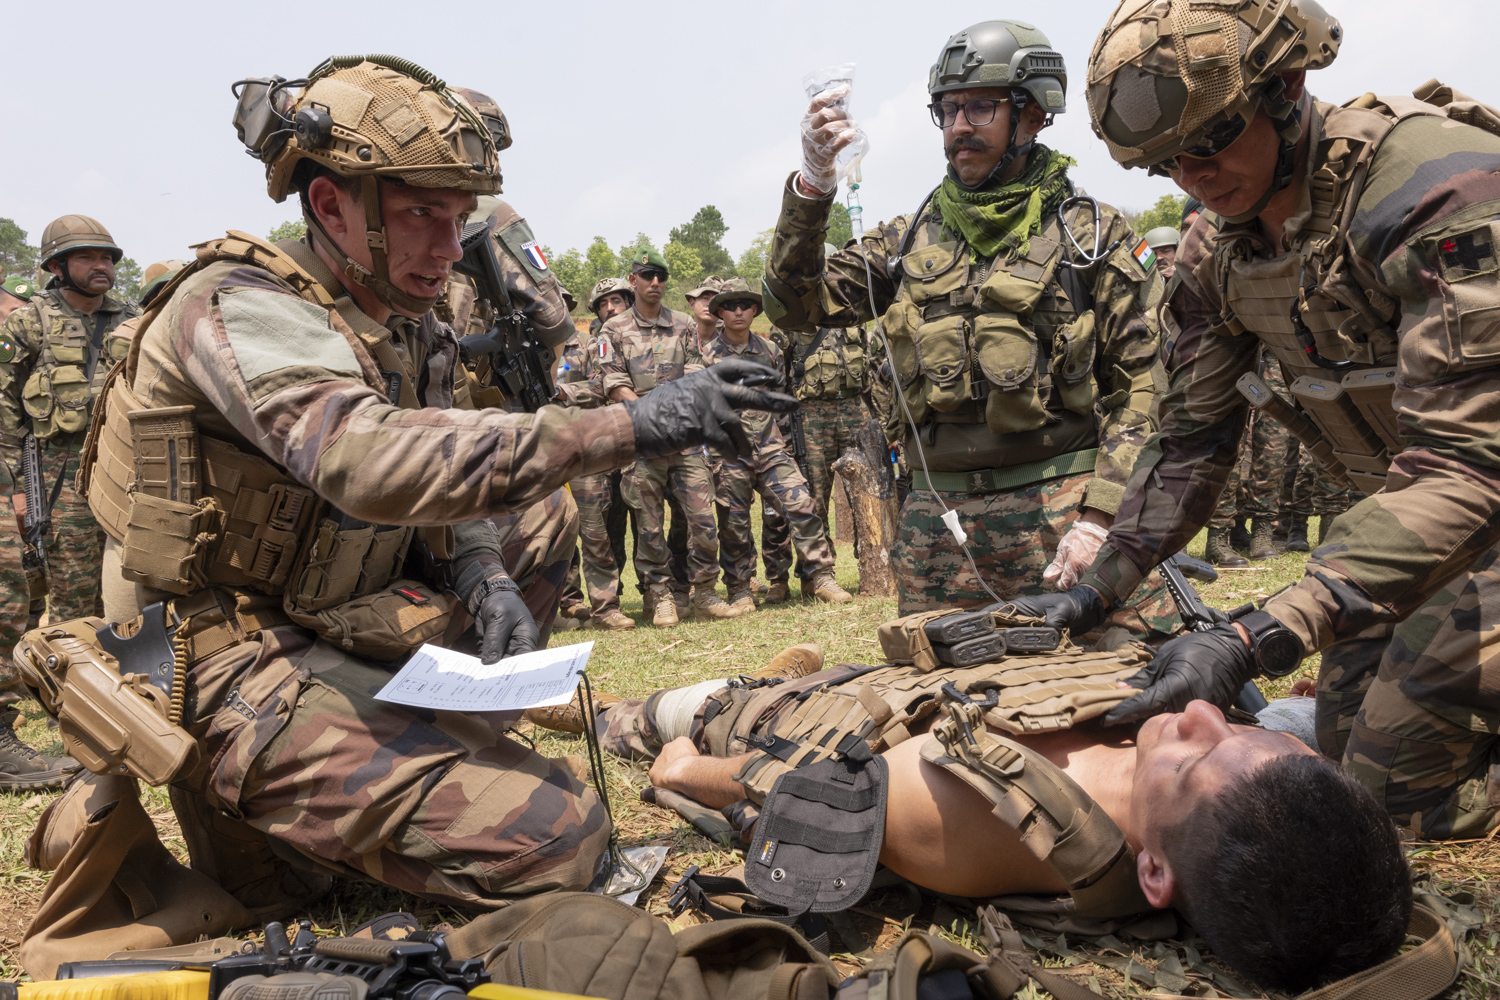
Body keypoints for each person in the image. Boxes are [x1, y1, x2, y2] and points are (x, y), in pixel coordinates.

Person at [33, 56, 791, 917]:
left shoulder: (407, 323)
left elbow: (448, 478)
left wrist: (483, 572)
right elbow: (360, 458)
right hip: (214, 645)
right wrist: (628, 425)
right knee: (560, 840)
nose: (448, 243)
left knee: (532, 517)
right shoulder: (238, 302)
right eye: (423, 212)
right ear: (329, 207)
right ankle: (260, 811)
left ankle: (431, 757)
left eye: (461, 216)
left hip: (324, 613)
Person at [1028, 0, 1500, 838]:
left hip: (1479, 506)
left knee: (1398, 802)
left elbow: (1470, 461)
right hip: (1434, 541)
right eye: (1166, 162)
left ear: (1286, 88)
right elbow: (1191, 440)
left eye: (1210, 141)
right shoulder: (1222, 248)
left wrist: (1263, 634)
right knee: (1348, 746)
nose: (1193, 178)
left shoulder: (1435, 185)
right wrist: (1098, 589)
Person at [588, 660, 1411, 994]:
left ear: (1154, 874)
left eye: (1196, 759)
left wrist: (680, 764)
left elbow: (800, 787)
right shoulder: (1232, 791)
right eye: (1245, 734)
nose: (1204, 713)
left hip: (770, 715)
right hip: (914, 676)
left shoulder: (965, 808)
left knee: (644, 713)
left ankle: (629, 714)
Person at [764, 21, 1178, 640]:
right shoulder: (905, 241)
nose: (960, 125)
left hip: (1065, 517)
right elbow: (794, 305)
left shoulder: (1090, 236)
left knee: (1126, 692)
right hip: (937, 527)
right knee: (948, 711)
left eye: (980, 106)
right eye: (948, 109)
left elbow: (1142, 390)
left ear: (1034, 114)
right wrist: (812, 188)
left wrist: (1101, 516)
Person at [2, 216, 138, 628]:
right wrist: (17, 492)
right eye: (86, 257)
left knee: (124, 583)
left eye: (107, 258)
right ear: (56, 268)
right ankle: (67, 673)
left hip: (125, 469)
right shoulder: (28, 322)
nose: (102, 266)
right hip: (58, 473)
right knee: (72, 587)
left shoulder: (134, 319)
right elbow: (4, 406)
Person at [599, 248, 740, 625]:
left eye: (660, 276)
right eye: (647, 276)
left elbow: (695, 374)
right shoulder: (612, 330)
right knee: (647, 524)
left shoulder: (684, 325)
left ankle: (706, 592)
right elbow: (612, 381)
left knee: (702, 520)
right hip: (642, 439)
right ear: (634, 281)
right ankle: (659, 595)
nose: (655, 283)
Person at [701, 278, 851, 612]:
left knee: (802, 504)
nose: (739, 311)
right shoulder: (706, 355)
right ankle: (740, 589)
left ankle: (821, 576)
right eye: (731, 306)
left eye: (745, 305)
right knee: (734, 524)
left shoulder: (770, 351)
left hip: (770, 448)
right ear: (720, 311)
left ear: (755, 310)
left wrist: (783, 441)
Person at [558, 278, 637, 632]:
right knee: (584, 530)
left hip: (611, 450)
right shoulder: (557, 347)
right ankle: (592, 606)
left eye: (617, 301)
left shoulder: (609, 344)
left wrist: (564, 392)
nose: (610, 307)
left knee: (612, 528)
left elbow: (601, 386)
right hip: (572, 451)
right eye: (603, 303)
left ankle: (611, 598)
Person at [684, 274, 724, 350]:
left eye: (716, 300)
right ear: (692, 303)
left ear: (721, 310)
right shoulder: (679, 336)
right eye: (705, 298)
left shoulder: (729, 342)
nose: (709, 304)